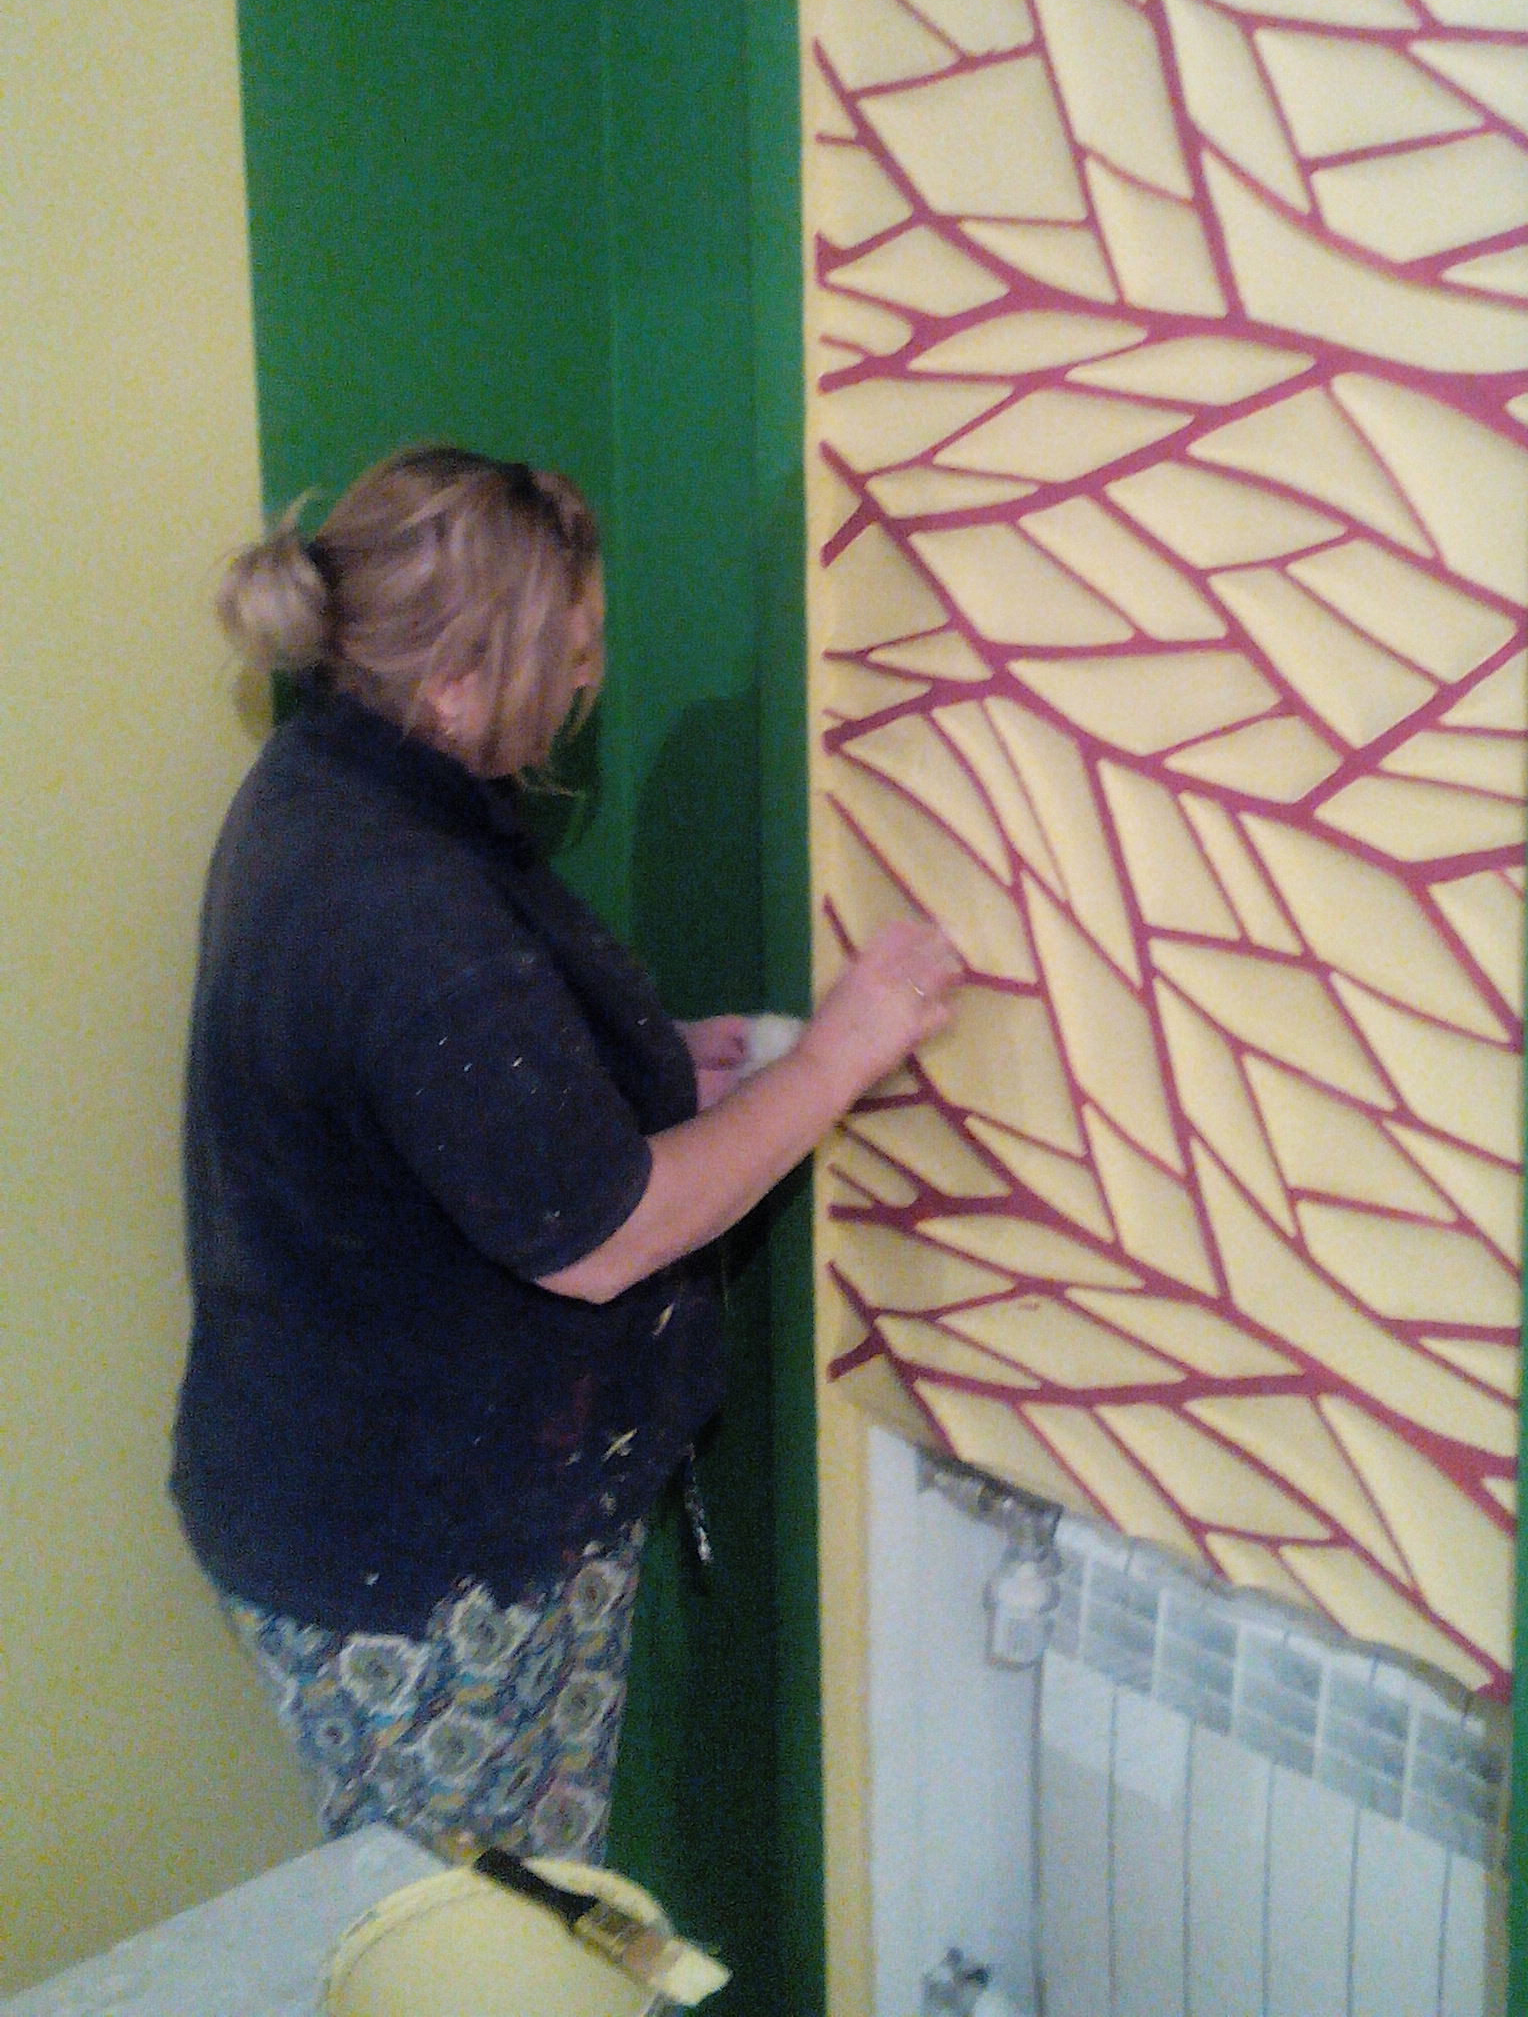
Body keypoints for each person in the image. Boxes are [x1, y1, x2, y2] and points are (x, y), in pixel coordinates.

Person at [170, 446, 958, 1862]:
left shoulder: (321, 788)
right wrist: (842, 1054)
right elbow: (605, 1238)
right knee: (488, 1929)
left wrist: (633, 1066)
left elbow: (420, 1092)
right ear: (455, 682)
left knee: (523, 1902)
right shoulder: (403, 904)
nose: (589, 680)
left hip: (356, 1490)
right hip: (414, 1561)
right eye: (574, 651)